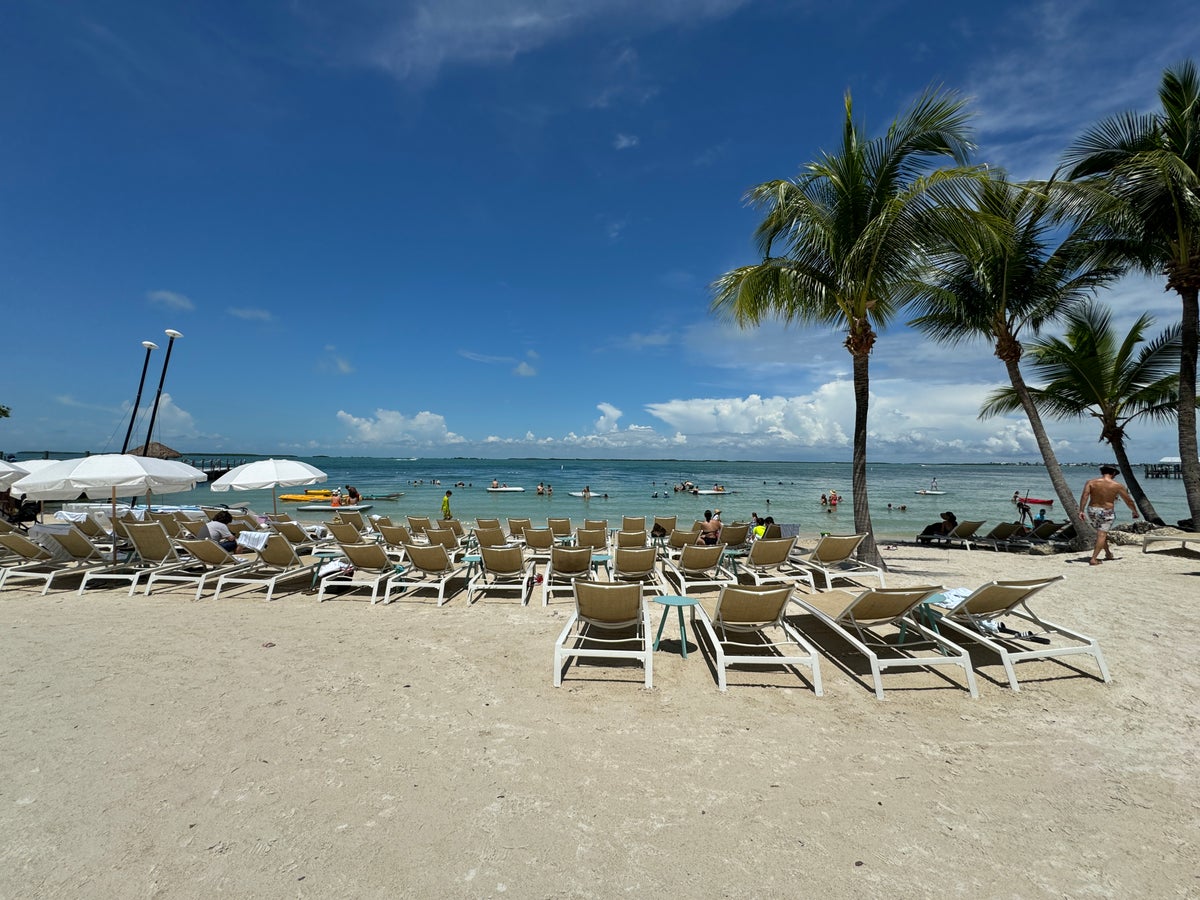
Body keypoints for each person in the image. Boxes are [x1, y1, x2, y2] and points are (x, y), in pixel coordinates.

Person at [1078, 465, 1139, 565]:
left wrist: (1081, 510)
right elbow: (1128, 500)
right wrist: (1134, 511)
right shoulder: (1117, 485)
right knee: (1102, 534)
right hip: (1107, 511)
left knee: (1101, 533)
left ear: (1102, 472)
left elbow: (1085, 496)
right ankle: (1094, 559)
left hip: (1092, 510)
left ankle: (1108, 553)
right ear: (1113, 473)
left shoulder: (1091, 482)